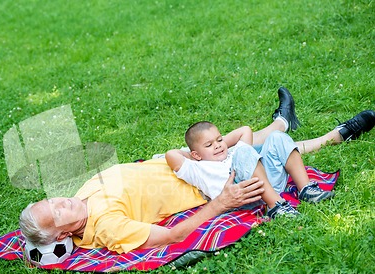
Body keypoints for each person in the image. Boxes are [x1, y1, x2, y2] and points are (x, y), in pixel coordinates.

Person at [19, 87, 375, 253]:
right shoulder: (106, 228)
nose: (64, 200)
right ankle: (334, 136)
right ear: (63, 235)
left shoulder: (79, 200)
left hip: (179, 162)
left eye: (54, 200)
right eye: (58, 211)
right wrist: (220, 204)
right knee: (258, 153)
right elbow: (171, 237)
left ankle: (282, 124)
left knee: (247, 142)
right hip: (205, 180)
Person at [165, 122, 334, 219]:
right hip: (243, 198)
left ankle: (306, 189)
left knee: (276, 137)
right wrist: (196, 156)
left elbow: (245, 130)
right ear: (195, 154)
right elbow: (171, 154)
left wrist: (219, 145)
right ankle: (276, 206)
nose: (217, 145)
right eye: (209, 145)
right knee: (244, 152)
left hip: (268, 185)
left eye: (219, 140)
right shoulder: (197, 168)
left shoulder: (231, 154)